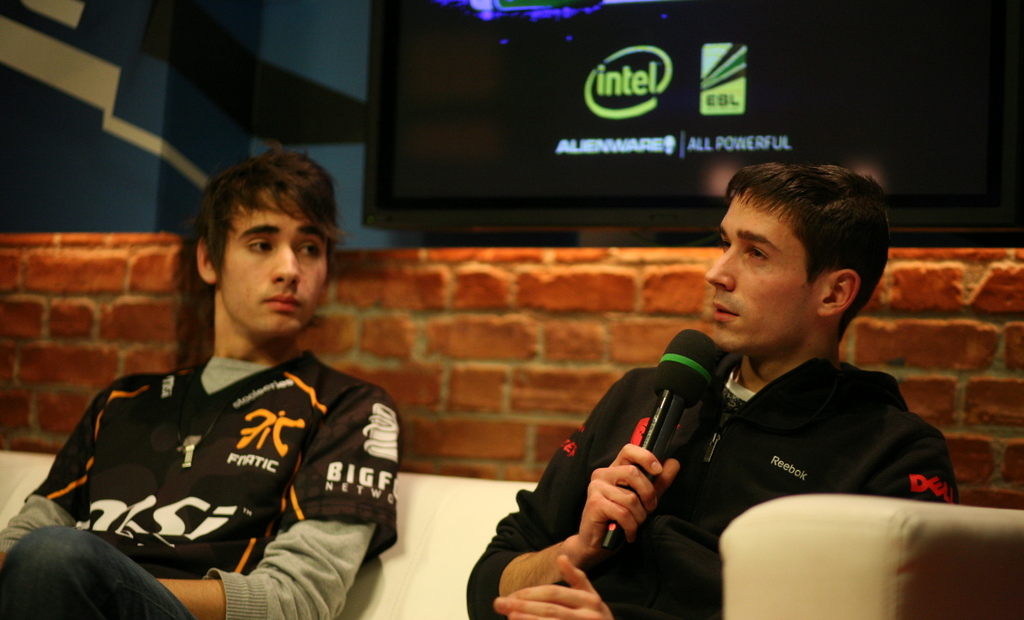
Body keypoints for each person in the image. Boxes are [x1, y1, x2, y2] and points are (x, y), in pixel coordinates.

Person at [467, 163, 958, 620]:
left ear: (833, 293)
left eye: (756, 253)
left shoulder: (892, 452)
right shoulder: (642, 394)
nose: (717, 273)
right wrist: (579, 549)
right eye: (724, 243)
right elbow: (487, 587)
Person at [0, 148, 400, 620]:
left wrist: (105, 584)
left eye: (309, 248)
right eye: (262, 244)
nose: (290, 270)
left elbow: (297, 600)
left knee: (56, 556)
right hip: (62, 589)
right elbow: (20, 544)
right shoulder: (124, 402)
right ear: (209, 260)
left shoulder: (349, 407)